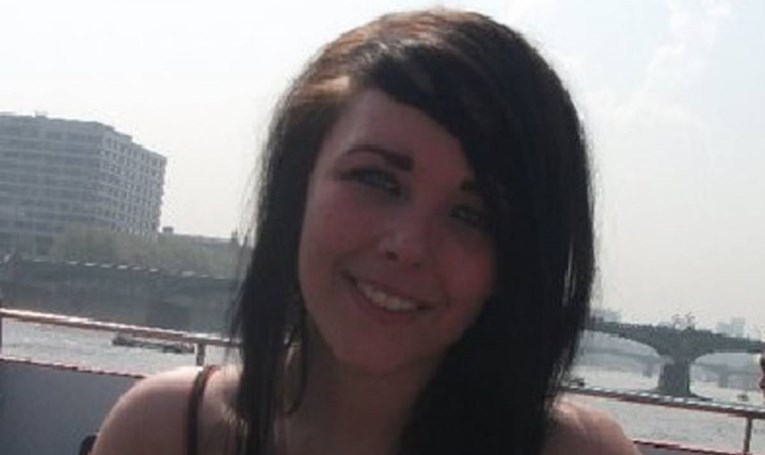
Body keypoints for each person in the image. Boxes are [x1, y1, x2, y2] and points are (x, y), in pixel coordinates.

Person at [91, 9, 639, 455]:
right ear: (299, 186)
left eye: (472, 215)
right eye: (377, 180)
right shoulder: (161, 433)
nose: (407, 245)